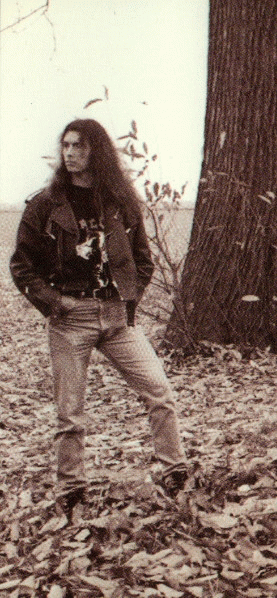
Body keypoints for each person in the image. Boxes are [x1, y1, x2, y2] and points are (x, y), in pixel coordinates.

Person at [10, 119, 188, 518]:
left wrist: (128, 298)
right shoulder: (45, 205)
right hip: (71, 319)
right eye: (66, 146)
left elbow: (142, 260)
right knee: (70, 413)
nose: (70, 153)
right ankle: (72, 491)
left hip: (116, 317)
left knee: (159, 391)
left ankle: (176, 474)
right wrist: (57, 302)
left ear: (98, 152)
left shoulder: (120, 201)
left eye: (80, 146)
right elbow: (22, 267)